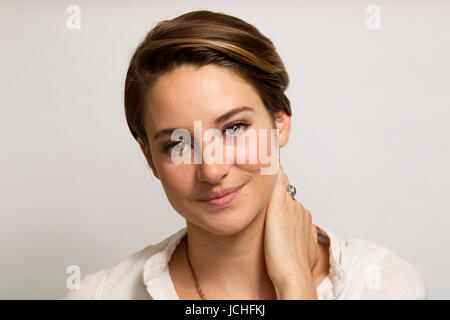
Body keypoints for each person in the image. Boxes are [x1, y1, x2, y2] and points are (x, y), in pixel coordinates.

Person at [62, 10, 427, 300]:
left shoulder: (378, 285)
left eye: (234, 128)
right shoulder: (99, 295)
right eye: (177, 144)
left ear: (280, 122)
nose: (212, 169)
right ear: (149, 157)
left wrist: (294, 283)